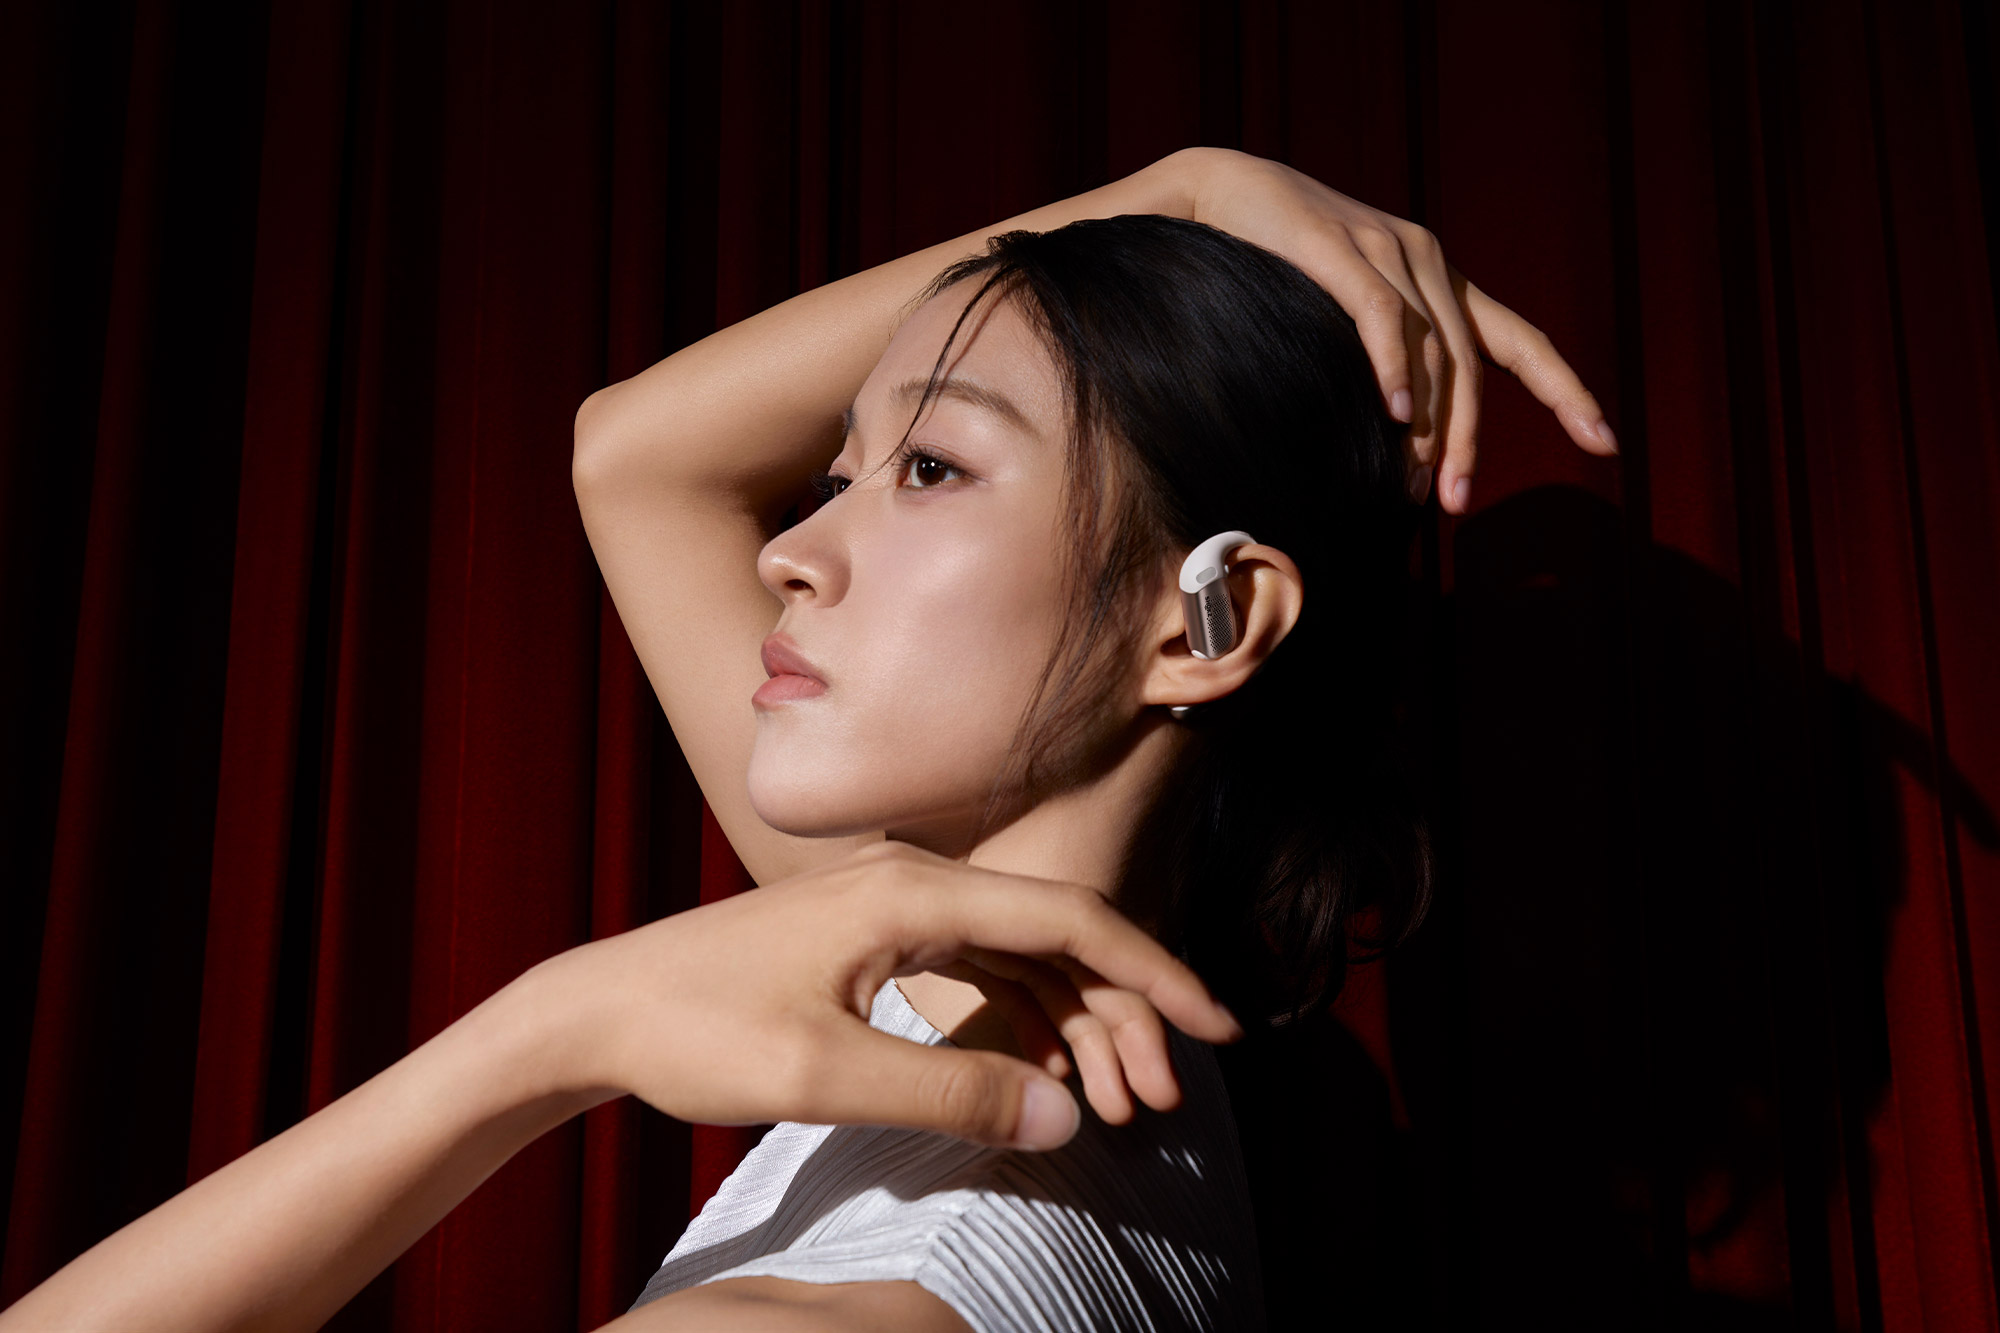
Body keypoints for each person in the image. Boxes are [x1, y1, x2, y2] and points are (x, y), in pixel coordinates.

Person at [0, 147, 1611, 1332]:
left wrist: (552, 1033)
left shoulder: (829, 1305)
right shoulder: (1053, 1034)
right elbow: (635, 455)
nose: (791, 548)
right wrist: (1172, 201)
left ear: (1206, 619)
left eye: (932, 474)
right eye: (841, 470)